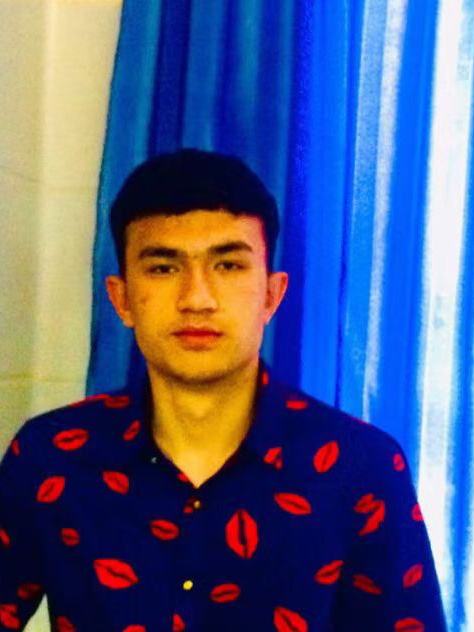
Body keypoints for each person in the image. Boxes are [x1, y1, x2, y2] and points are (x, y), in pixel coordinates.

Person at [0, 149, 446, 631]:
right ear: (122, 299)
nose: (197, 298)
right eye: (163, 268)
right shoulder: (51, 458)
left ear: (272, 294)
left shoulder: (361, 468)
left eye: (229, 266)